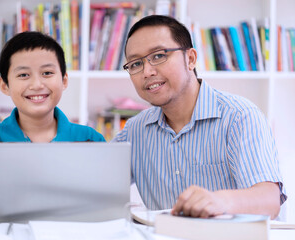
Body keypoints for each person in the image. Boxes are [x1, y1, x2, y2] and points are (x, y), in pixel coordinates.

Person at [113, 15, 286, 219]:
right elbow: (93, 181)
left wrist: (221, 201)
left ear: (191, 59)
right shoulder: (135, 130)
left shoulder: (240, 117)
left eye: (159, 56)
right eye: (135, 64)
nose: (147, 72)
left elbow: (269, 200)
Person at [0, 31, 105, 217]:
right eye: (23, 75)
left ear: (64, 80)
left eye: (47, 73)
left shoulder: (91, 140)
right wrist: (54, 206)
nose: (36, 84)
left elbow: (102, 207)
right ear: (5, 85)